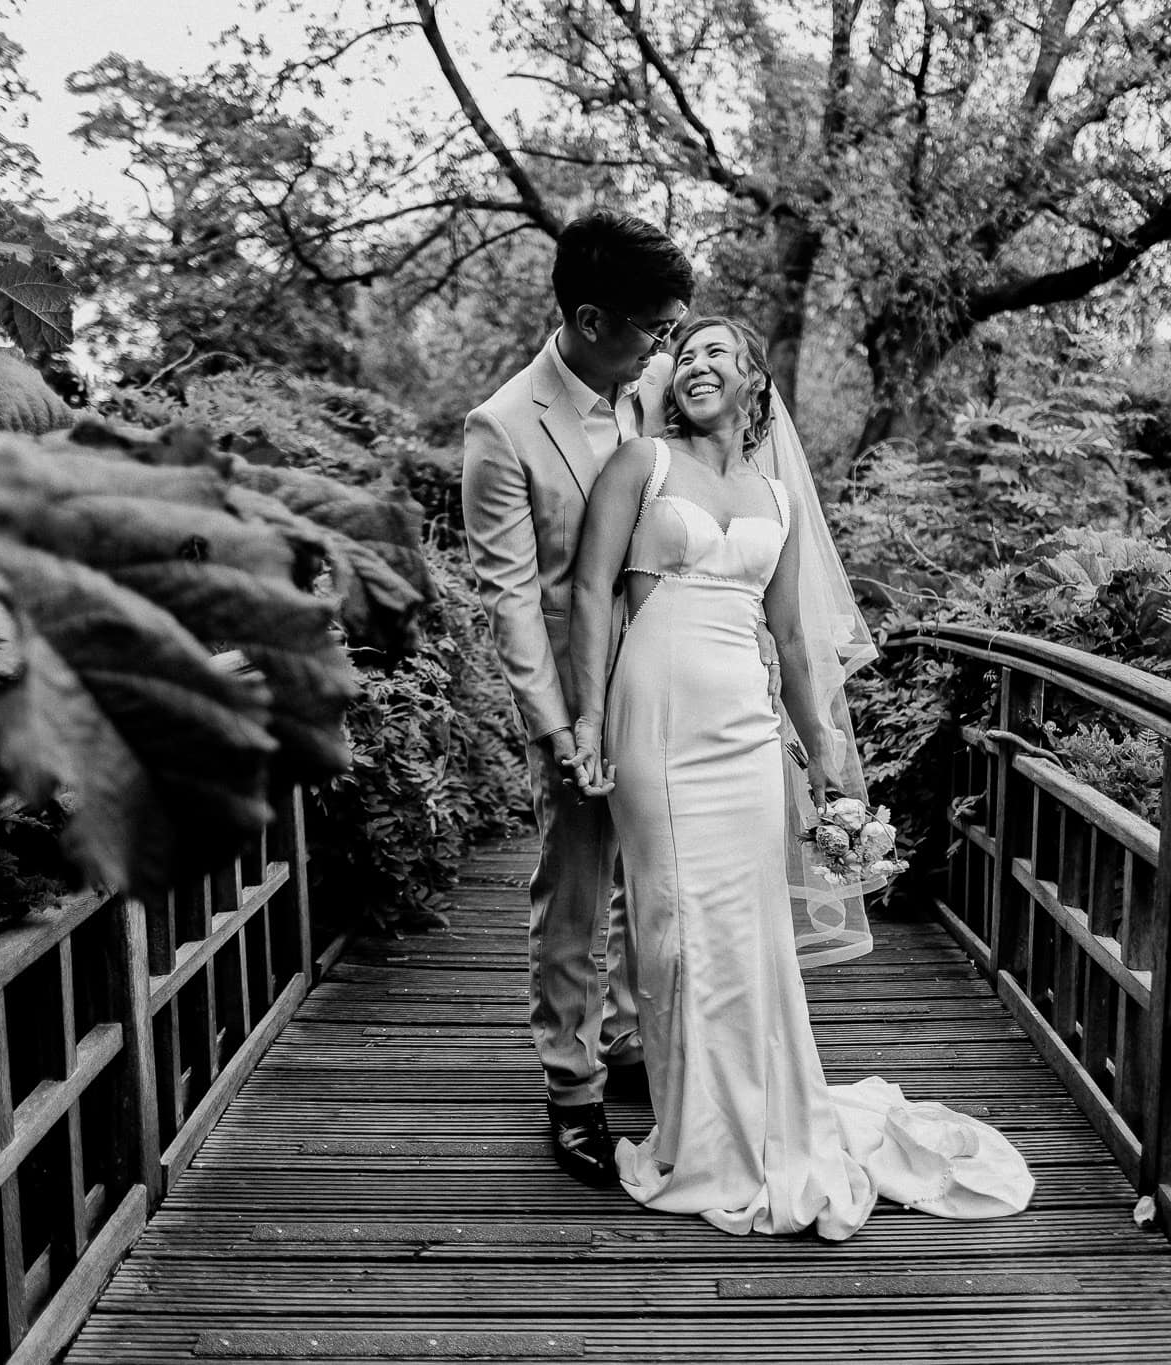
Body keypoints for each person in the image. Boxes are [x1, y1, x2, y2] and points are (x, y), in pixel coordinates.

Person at [565, 316, 1035, 1238]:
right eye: (685, 356)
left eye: (717, 357)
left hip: (745, 727)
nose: (696, 367)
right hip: (654, 715)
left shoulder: (777, 497)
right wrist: (585, 718)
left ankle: (766, 1115)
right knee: (672, 927)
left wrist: (830, 760)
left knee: (748, 928)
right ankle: (695, 1131)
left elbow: (792, 641)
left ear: (755, 385)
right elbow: (590, 592)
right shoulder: (641, 466)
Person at [461, 210, 694, 1187]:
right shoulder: (502, 429)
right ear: (592, 318)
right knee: (573, 894)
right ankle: (570, 1087)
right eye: (654, 329)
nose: (667, 349)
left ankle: (627, 1035)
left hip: (668, 691)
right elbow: (511, 600)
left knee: (651, 882)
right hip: (574, 703)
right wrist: (556, 730)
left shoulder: (644, 392)